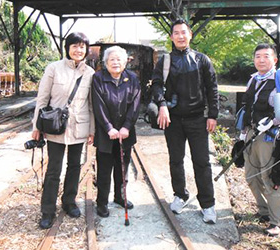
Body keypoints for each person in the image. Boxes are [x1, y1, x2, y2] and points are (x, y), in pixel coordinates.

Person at [151, 19, 219, 224]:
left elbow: (212, 88)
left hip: (197, 119)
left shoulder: (201, 59)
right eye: (176, 33)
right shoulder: (165, 61)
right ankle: (180, 194)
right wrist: (161, 104)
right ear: (171, 37)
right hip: (173, 120)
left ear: (190, 35)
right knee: (175, 160)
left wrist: (213, 115)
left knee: (202, 162)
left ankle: (207, 204)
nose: (180, 36)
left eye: (184, 32)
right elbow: (155, 85)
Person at [31, 32, 95, 229]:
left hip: (79, 127)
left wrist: (92, 129)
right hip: (55, 127)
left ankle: (69, 202)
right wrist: (36, 126)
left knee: (75, 166)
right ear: (67, 48)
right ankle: (47, 210)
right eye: (75, 46)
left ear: (86, 50)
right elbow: (42, 99)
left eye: (82, 46)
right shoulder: (53, 69)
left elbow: (91, 105)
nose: (78, 50)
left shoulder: (90, 73)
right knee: (53, 170)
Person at [240, 43, 280, 237]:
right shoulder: (253, 80)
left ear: (274, 59)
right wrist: (243, 132)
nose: (261, 59)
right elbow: (247, 106)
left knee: (271, 178)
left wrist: (272, 122)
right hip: (251, 133)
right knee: (251, 176)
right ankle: (264, 211)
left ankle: (278, 222)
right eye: (258, 56)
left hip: (271, 136)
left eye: (266, 56)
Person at [92, 46, 141, 218]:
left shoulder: (132, 78)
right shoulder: (98, 78)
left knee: (123, 167)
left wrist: (127, 126)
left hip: (125, 133)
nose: (115, 62)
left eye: (119, 59)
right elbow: (98, 105)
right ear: (105, 62)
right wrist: (108, 127)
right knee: (104, 169)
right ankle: (102, 202)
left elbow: (135, 104)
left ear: (125, 61)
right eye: (111, 59)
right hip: (107, 134)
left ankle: (120, 197)